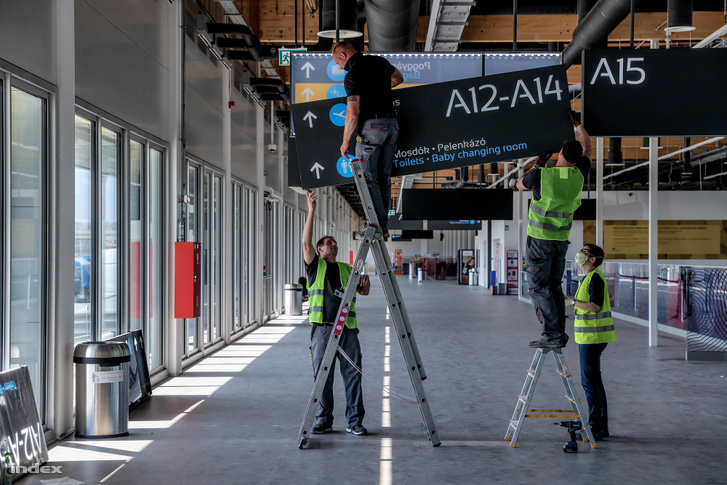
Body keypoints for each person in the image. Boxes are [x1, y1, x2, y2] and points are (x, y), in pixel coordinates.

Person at [517, 112, 591, 348]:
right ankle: (557, 333)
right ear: (577, 158)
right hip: (559, 241)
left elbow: (518, 184)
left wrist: (538, 163)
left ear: (560, 154)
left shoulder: (542, 175)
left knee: (539, 288)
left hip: (540, 242)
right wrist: (578, 124)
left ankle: (552, 334)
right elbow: (587, 145)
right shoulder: (578, 175)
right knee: (553, 287)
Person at [302, 190, 371, 436]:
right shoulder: (315, 267)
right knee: (322, 376)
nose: (333, 244)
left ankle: (354, 421)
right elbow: (306, 243)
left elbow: (364, 292)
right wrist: (311, 211)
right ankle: (323, 419)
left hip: (347, 330)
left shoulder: (347, 268)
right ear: (320, 250)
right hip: (322, 329)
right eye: (328, 243)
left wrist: (365, 283)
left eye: (335, 242)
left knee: (353, 375)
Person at [332, 41, 404, 240]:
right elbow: (399, 78)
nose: (339, 67)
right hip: (392, 126)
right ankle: (382, 223)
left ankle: (379, 225)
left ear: (343, 55)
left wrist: (345, 141)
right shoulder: (380, 62)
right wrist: (379, 85)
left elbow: (352, 114)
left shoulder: (352, 76)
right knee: (384, 177)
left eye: (338, 63)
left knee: (369, 179)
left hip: (372, 127)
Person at [566, 243, 616, 441]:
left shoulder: (594, 277)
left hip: (592, 337)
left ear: (592, 259)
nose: (580, 254)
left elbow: (594, 307)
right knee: (594, 380)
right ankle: (600, 426)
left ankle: (595, 427)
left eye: (584, 251)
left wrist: (570, 302)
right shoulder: (586, 278)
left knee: (589, 381)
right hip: (589, 336)